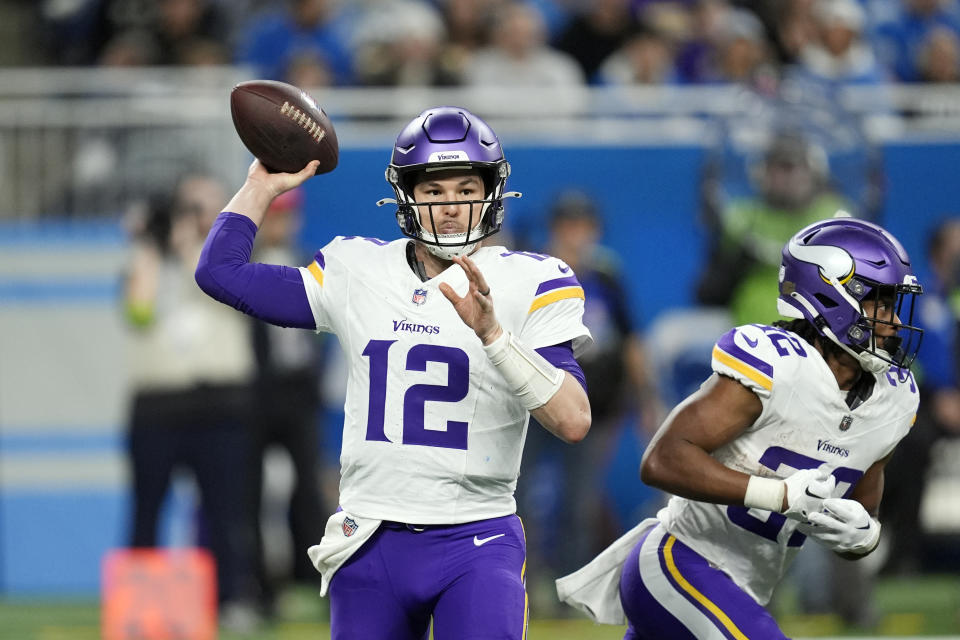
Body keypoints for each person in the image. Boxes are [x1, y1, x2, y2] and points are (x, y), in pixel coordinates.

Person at [194, 106, 592, 639]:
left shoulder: (533, 278)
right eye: (433, 192)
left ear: (493, 191)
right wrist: (260, 188)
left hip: (476, 536)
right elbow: (220, 273)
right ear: (406, 197)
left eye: (465, 188)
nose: (451, 207)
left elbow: (573, 420)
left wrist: (494, 335)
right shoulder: (357, 268)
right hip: (372, 536)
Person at [557, 215, 924, 638]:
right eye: (879, 302)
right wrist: (780, 494)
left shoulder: (894, 398)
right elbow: (662, 461)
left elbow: (862, 505)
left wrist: (864, 535)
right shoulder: (777, 365)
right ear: (830, 297)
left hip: (744, 589)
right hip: (680, 561)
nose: (894, 322)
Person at [123, 172, 261, 629]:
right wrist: (150, 243)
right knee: (147, 509)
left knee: (226, 511)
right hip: (158, 405)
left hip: (221, 404)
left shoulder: (239, 258)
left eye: (207, 208)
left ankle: (231, 599)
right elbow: (138, 312)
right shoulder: (148, 261)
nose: (197, 218)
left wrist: (189, 247)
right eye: (190, 208)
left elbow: (218, 286)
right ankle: (140, 608)